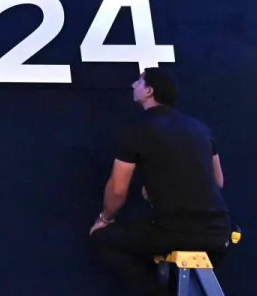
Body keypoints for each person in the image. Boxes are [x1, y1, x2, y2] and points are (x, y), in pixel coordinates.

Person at [89, 68, 230, 296]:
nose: (134, 84)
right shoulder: (200, 128)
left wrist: (105, 218)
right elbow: (218, 181)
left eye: (140, 81)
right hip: (219, 234)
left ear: (149, 91)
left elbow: (117, 189)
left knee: (104, 239)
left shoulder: (138, 129)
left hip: (174, 230)